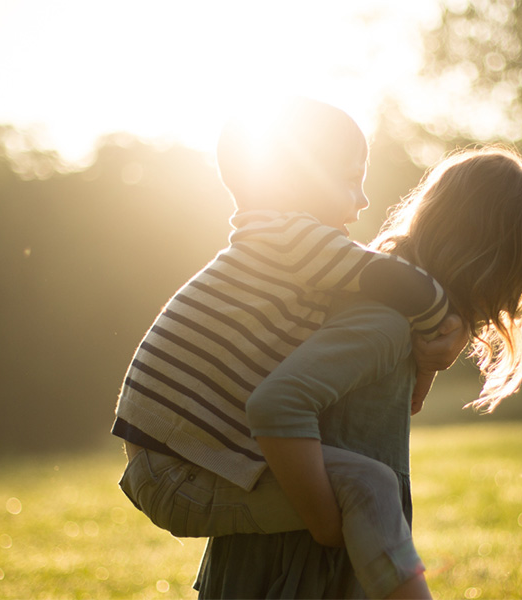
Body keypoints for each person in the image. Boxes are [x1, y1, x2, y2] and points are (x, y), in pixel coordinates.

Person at [113, 97, 464, 599]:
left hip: (174, 462)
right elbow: (396, 280)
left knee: (361, 484)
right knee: (371, 485)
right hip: (179, 471)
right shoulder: (291, 238)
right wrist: (443, 326)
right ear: (296, 179)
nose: (363, 200)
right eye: (349, 179)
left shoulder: (275, 246)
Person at [194, 146, 522, 598]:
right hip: (296, 563)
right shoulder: (384, 323)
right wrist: (326, 522)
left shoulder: (399, 319)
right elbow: (279, 404)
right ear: (485, 257)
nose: (515, 302)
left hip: (320, 550)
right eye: (521, 277)